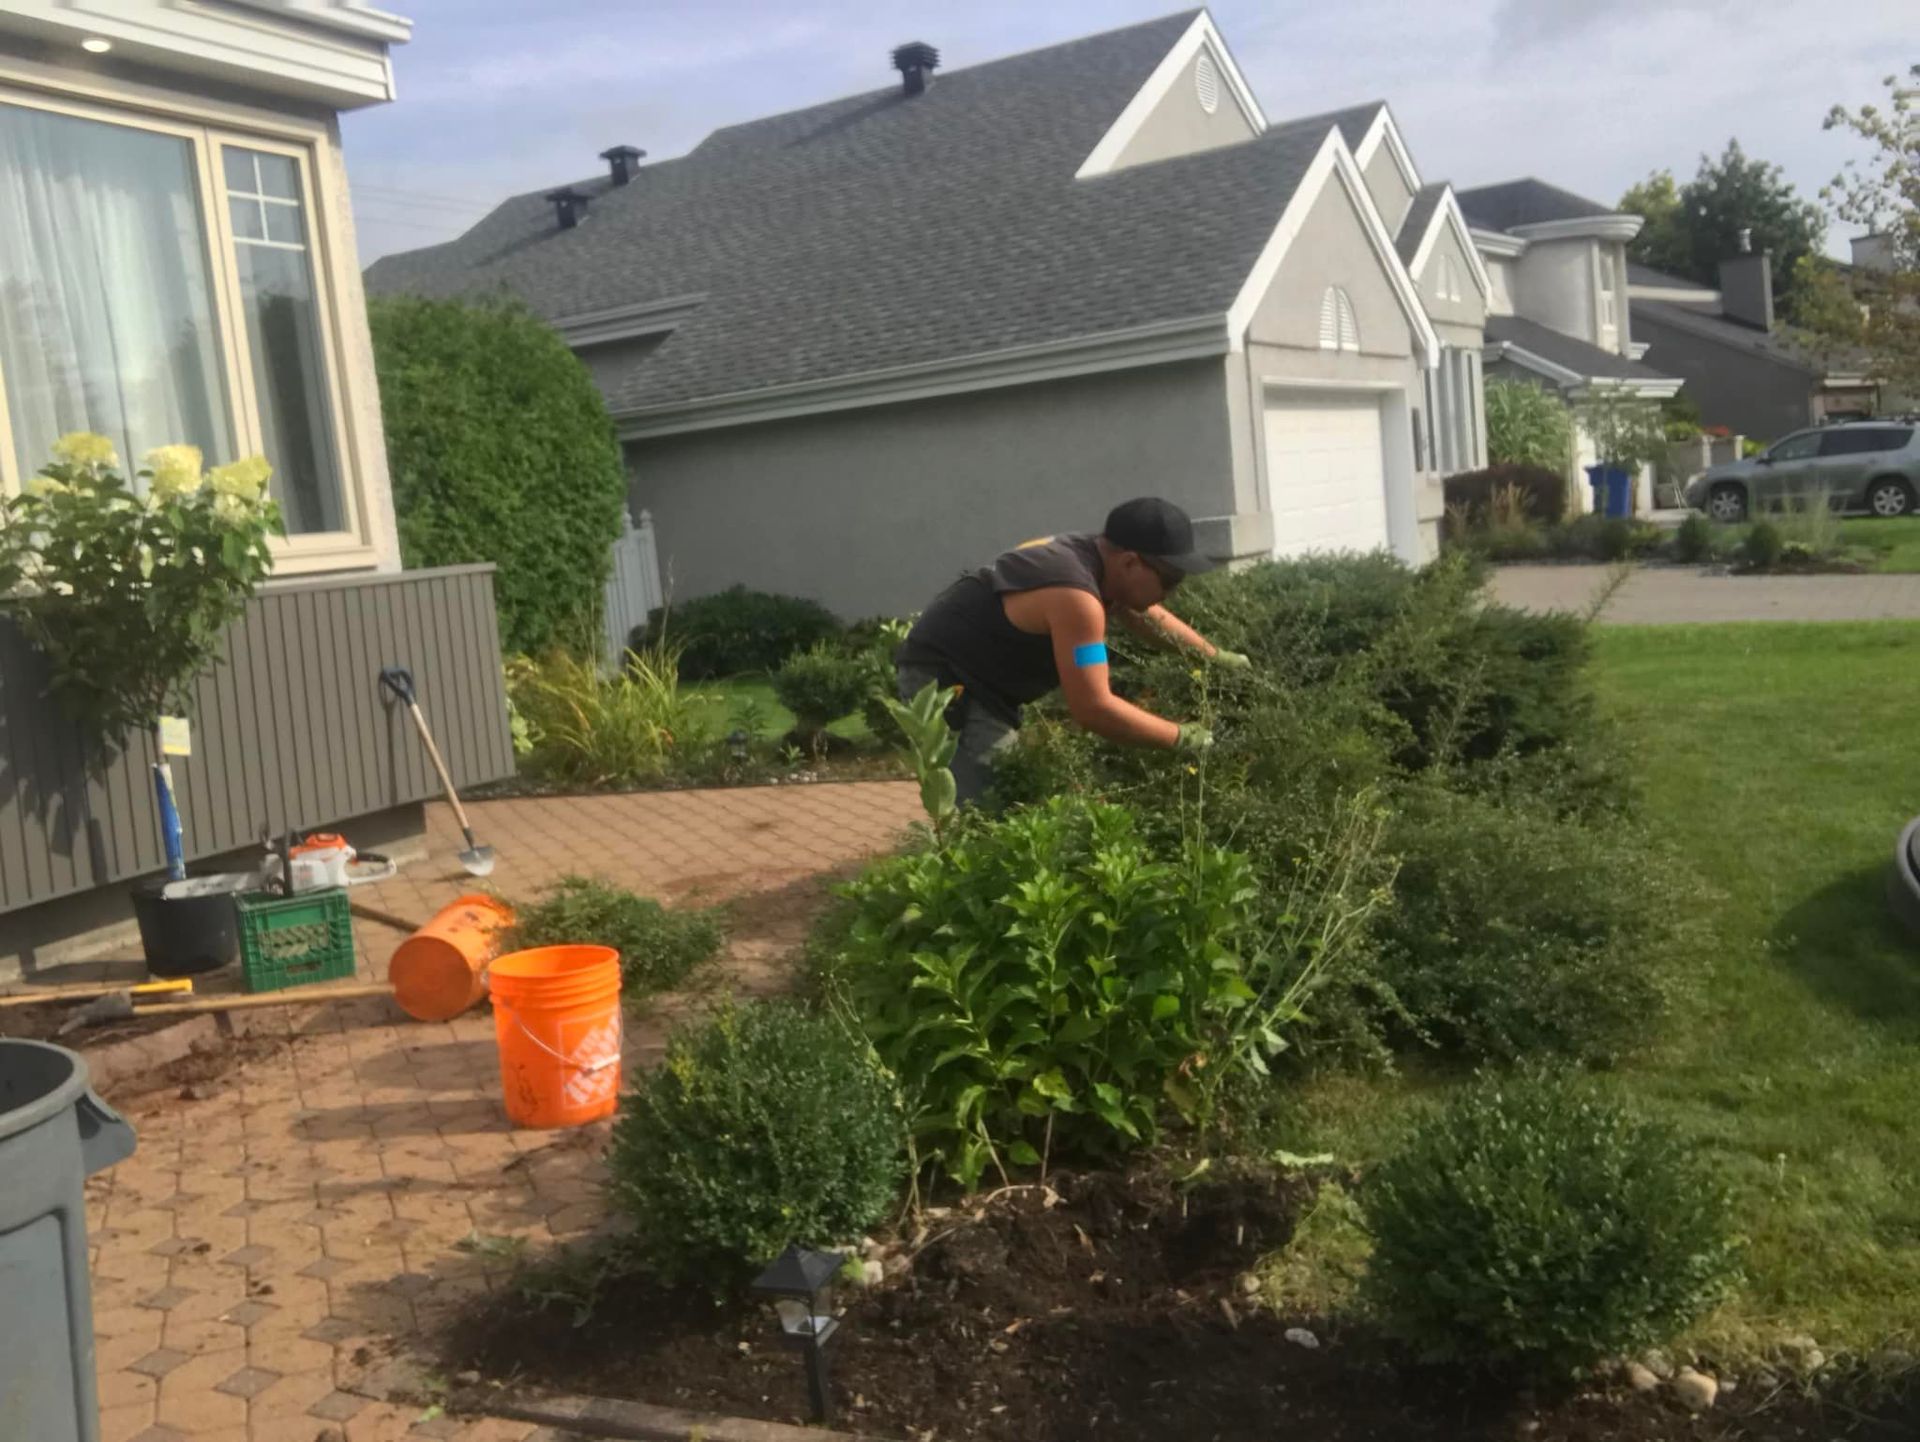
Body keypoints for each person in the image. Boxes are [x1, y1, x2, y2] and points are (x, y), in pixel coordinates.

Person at [895, 497, 1250, 806]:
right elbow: (1094, 708)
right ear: (1129, 562)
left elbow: (1146, 615)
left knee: (1012, 793)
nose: (1172, 591)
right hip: (946, 680)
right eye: (1170, 580)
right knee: (994, 801)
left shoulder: (1097, 557)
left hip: (981, 678)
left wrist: (1212, 656)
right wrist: (1184, 737)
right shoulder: (1076, 597)